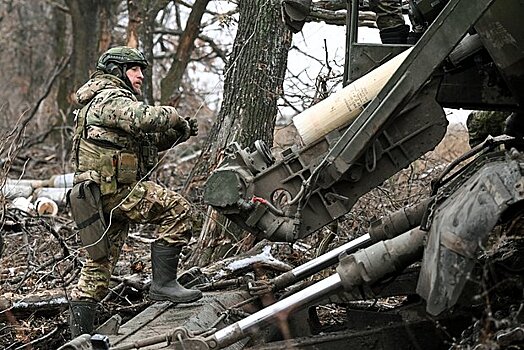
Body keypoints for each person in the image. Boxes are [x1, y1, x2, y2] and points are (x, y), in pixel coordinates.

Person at [68, 46, 202, 338]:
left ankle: (78, 341)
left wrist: (178, 133)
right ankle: (163, 285)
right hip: (113, 191)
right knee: (180, 211)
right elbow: (142, 118)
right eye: (134, 69)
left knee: (96, 272)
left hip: (99, 196)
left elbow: (146, 143)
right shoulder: (109, 96)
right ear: (117, 71)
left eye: (141, 70)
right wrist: (173, 115)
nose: (140, 76)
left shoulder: (104, 103)